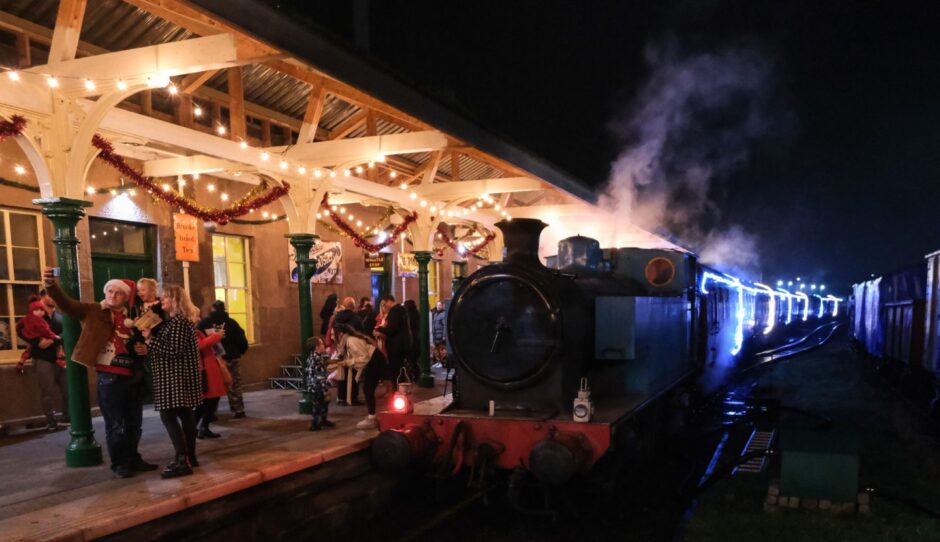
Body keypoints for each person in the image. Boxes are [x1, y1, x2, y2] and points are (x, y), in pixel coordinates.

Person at [42, 269, 156, 478]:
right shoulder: (94, 311)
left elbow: (136, 345)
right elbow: (67, 305)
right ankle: (120, 463)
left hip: (132, 375)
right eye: (109, 291)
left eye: (118, 293)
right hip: (110, 376)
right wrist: (51, 285)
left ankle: (132, 458)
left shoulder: (130, 318)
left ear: (124, 297)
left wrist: (142, 349)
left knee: (134, 423)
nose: (112, 295)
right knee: (116, 424)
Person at [148, 285, 202, 478]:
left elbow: (174, 350)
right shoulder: (176, 321)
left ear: (176, 300)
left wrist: (150, 341)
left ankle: (182, 458)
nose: (161, 300)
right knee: (185, 415)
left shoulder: (178, 322)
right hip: (177, 377)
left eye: (165, 297)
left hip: (175, 377)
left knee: (168, 416)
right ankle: (190, 456)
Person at [16, 293, 67, 430]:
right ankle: (51, 422)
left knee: (67, 389)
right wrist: (36, 341)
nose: (54, 298)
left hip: (60, 358)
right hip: (42, 359)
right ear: (43, 297)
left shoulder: (60, 317)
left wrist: (52, 340)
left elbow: (67, 334)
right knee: (47, 392)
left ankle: (67, 418)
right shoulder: (35, 315)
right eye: (51, 295)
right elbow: (20, 329)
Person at [197, 301, 249, 419]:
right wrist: (239, 351)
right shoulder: (232, 323)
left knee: (214, 386)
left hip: (213, 359)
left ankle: (212, 412)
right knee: (234, 384)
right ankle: (238, 409)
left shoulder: (204, 323)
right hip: (231, 357)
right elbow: (241, 340)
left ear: (212, 309)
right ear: (224, 309)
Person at [333, 323, 387, 429]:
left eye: (333, 334)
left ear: (340, 334)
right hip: (374, 359)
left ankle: (372, 418)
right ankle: (371, 416)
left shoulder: (351, 341)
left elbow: (364, 357)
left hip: (374, 361)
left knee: (368, 389)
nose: (331, 337)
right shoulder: (350, 340)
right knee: (368, 388)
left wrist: (348, 362)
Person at [193, 318, 227, 439]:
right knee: (205, 402)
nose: (198, 318)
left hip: (210, 368)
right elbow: (199, 345)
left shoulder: (196, 330)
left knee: (211, 400)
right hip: (205, 370)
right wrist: (215, 337)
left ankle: (203, 427)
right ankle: (192, 429)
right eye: (195, 315)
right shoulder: (190, 331)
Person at [374, 294, 408, 388]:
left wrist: (380, 329)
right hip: (401, 345)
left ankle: (395, 390)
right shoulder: (402, 311)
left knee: (394, 369)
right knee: (397, 369)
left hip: (395, 346)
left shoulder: (395, 311)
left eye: (386, 303)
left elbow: (391, 329)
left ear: (389, 301)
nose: (385, 306)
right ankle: (398, 388)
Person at [306, 337, 335, 431]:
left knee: (324, 403)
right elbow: (319, 376)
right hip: (317, 386)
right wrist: (325, 389)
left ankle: (323, 420)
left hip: (314, 385)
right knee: (317, 405)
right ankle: (314, 424)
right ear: (316, 347)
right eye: (322, 344)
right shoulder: (317, 359)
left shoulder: (314, 356)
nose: (324, 346)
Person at [403, 299, 420, 378]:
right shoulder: (417, 314)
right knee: (414, 359)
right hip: (416, 339)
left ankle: (414, 374)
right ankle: (416, 374)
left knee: (411, 359)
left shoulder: (408, 315)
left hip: (412, 339)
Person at [431, 300, 448, 367]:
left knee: (442, 350)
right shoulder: (435, 313)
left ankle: (443, 362)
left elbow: (444, 325)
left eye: (440, 305)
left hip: (440, 335)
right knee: (437, 350)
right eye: (437, 305)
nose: (438, 306)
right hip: (436, 335)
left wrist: (444, 335)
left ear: (442, 306)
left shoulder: (443, 314)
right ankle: (439, 362)